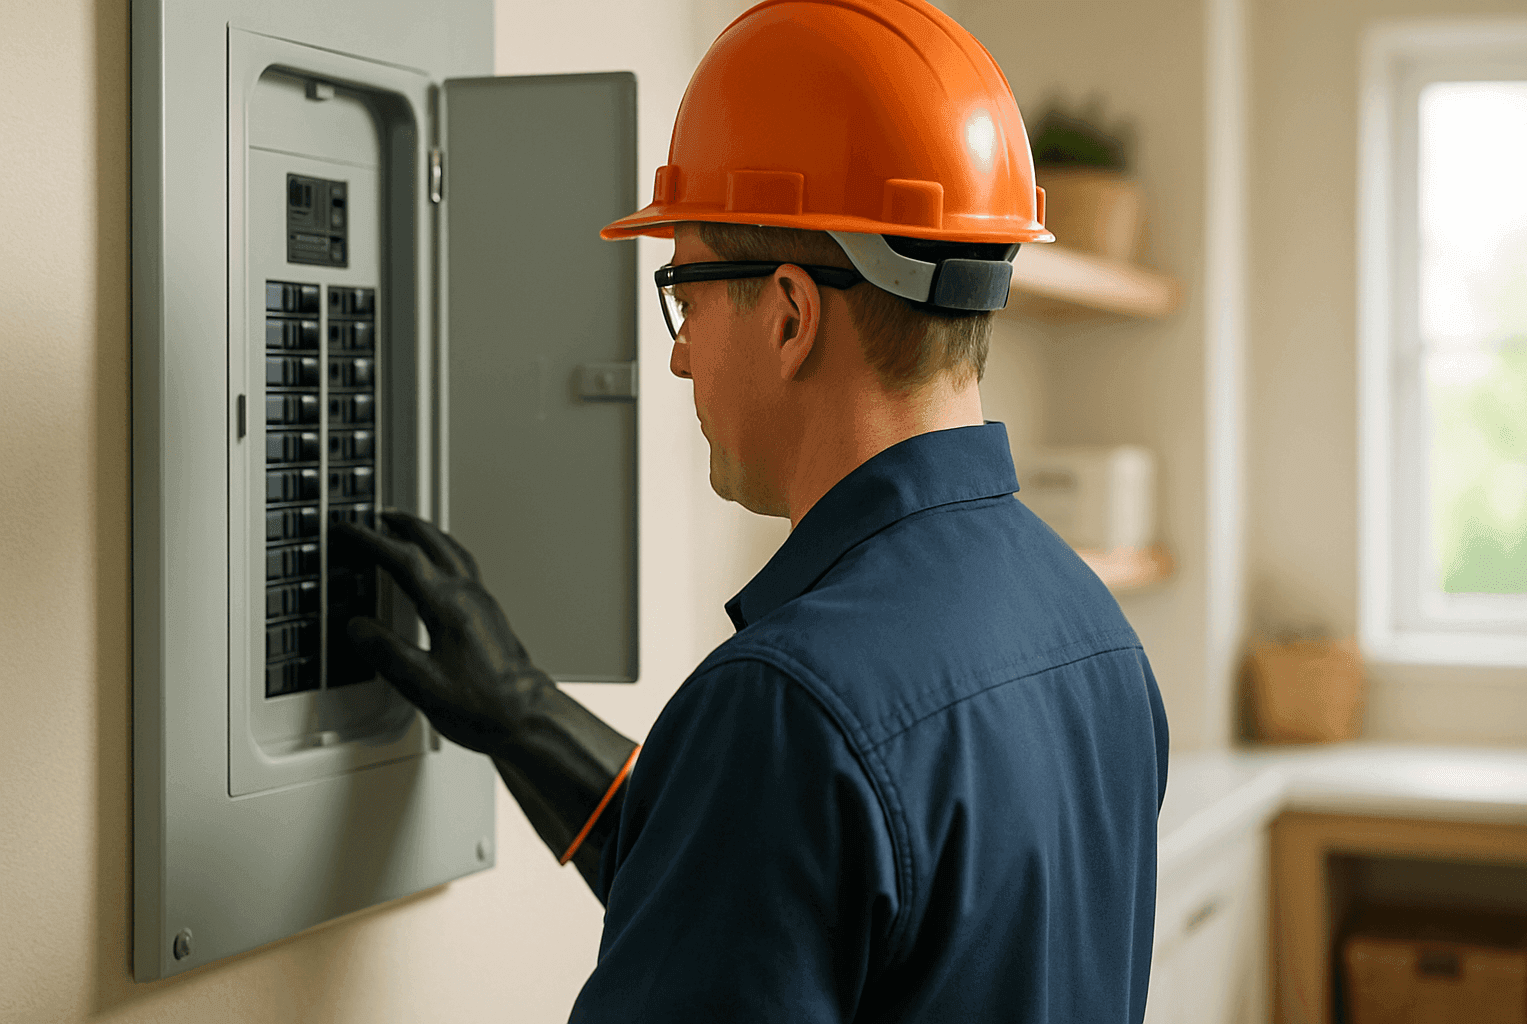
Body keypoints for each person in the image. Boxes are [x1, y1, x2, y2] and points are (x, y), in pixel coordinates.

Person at [334, 0, 1169, 1020]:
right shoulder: (1094, 636)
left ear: (787, 313)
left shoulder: (792, 705)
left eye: (683, 291)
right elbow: (802, 901)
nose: (678, 350)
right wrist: (523, 714)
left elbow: (794, 841)